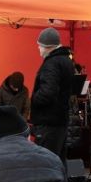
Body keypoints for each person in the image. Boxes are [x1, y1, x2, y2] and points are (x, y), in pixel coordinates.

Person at [31, 27, 75, 161]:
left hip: (48, 122)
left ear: (47, 46)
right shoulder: (66, 60)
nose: (38, 48)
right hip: (60, 120)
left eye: (39, 46)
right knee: (58, 162)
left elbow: (48, 92)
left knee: (46, 163)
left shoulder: (51, 63)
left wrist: (34, 99)